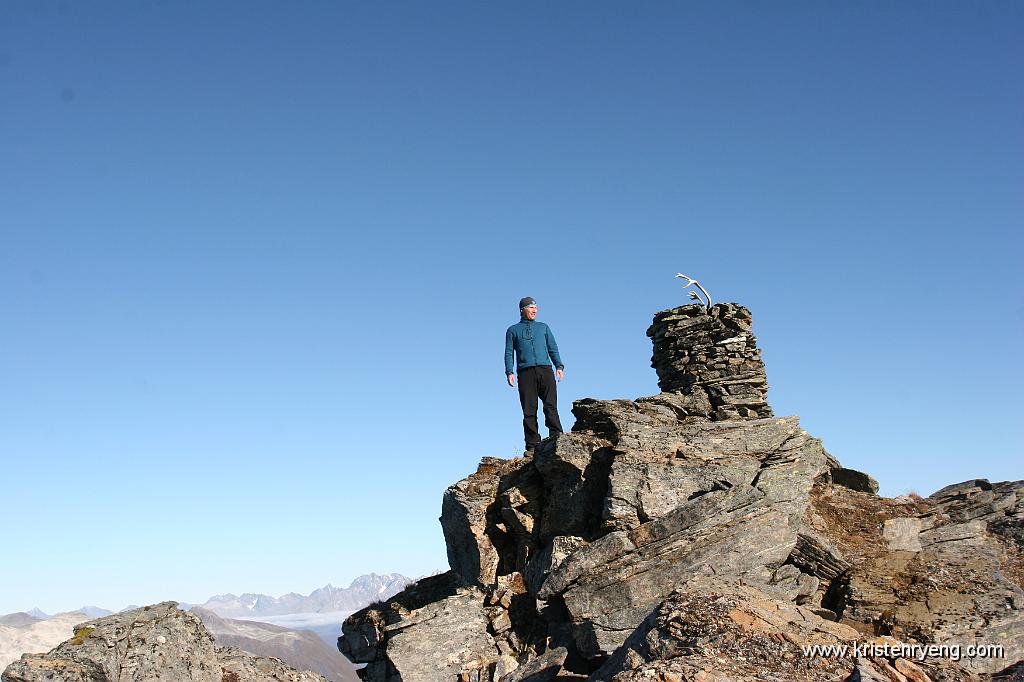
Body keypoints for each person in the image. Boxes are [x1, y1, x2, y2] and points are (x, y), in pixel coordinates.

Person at [504, 297, 565, 453]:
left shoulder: (543, 327)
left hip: (545, 370)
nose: (534, 310)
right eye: (531, 307)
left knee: (550, 405)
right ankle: (532, 445)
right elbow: (509, 352)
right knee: (529, 411)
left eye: (536, 307)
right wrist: (509, 371)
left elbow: (553, 347)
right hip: (525, 373)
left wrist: (559, 365)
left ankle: (556, 435)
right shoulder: (512, 330)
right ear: (522, 310)